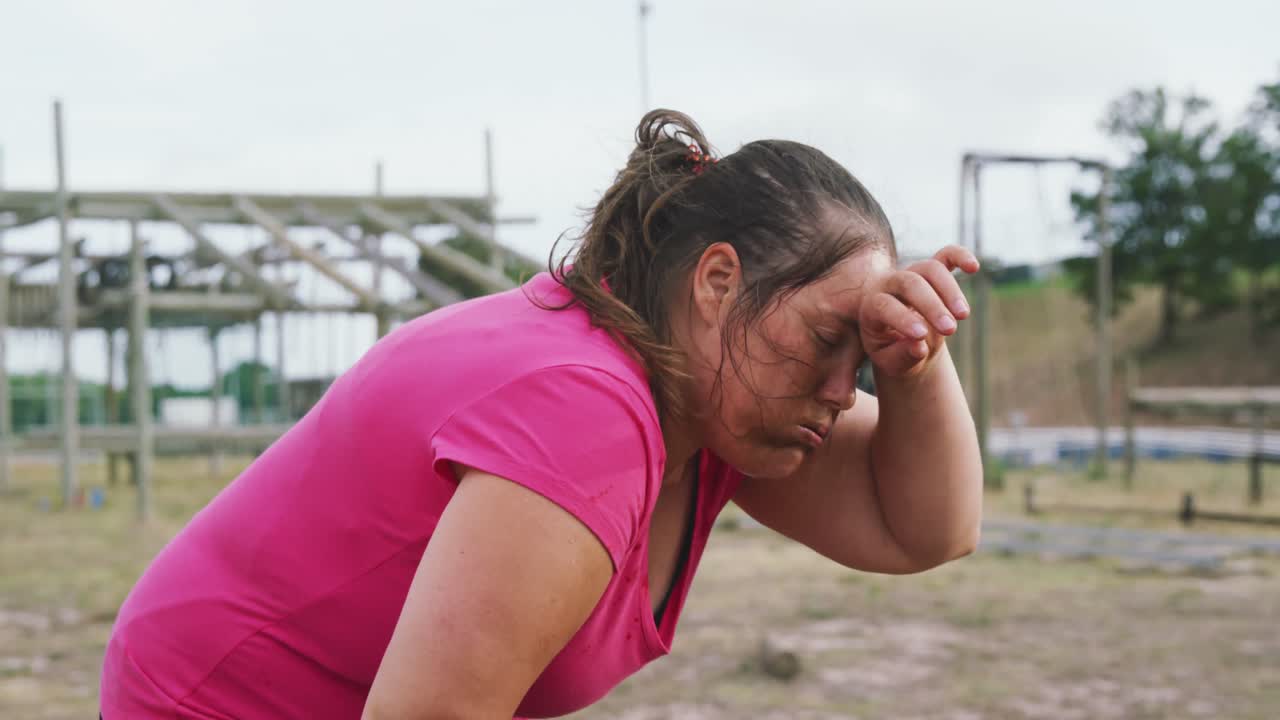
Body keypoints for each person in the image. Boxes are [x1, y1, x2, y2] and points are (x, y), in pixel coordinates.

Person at [99, 109, 983, 719]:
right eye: (828, 338)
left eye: (860, 358)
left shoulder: (709, 397)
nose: (843, 388)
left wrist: (914, 361)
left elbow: (925, 531)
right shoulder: (586, 408)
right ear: (717, 283)